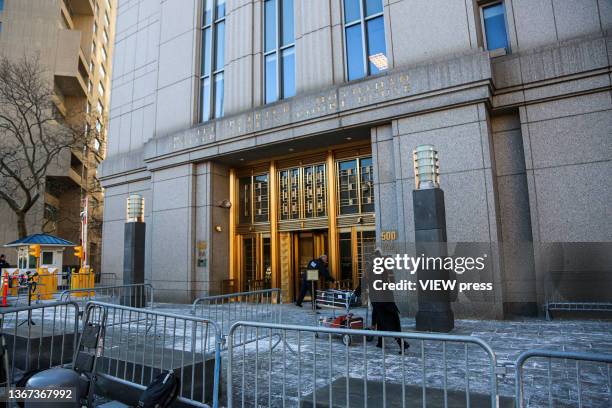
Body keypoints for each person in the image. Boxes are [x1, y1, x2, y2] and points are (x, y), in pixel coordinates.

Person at [369, 248, 409, 353]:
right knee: (382, 320)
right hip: (385, 299)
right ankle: (380, 341)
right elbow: (392, 281)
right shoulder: (385, 265)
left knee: (388, 322)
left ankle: (402, 344)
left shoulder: (374, 267)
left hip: (380, 300)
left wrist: (357, 292)